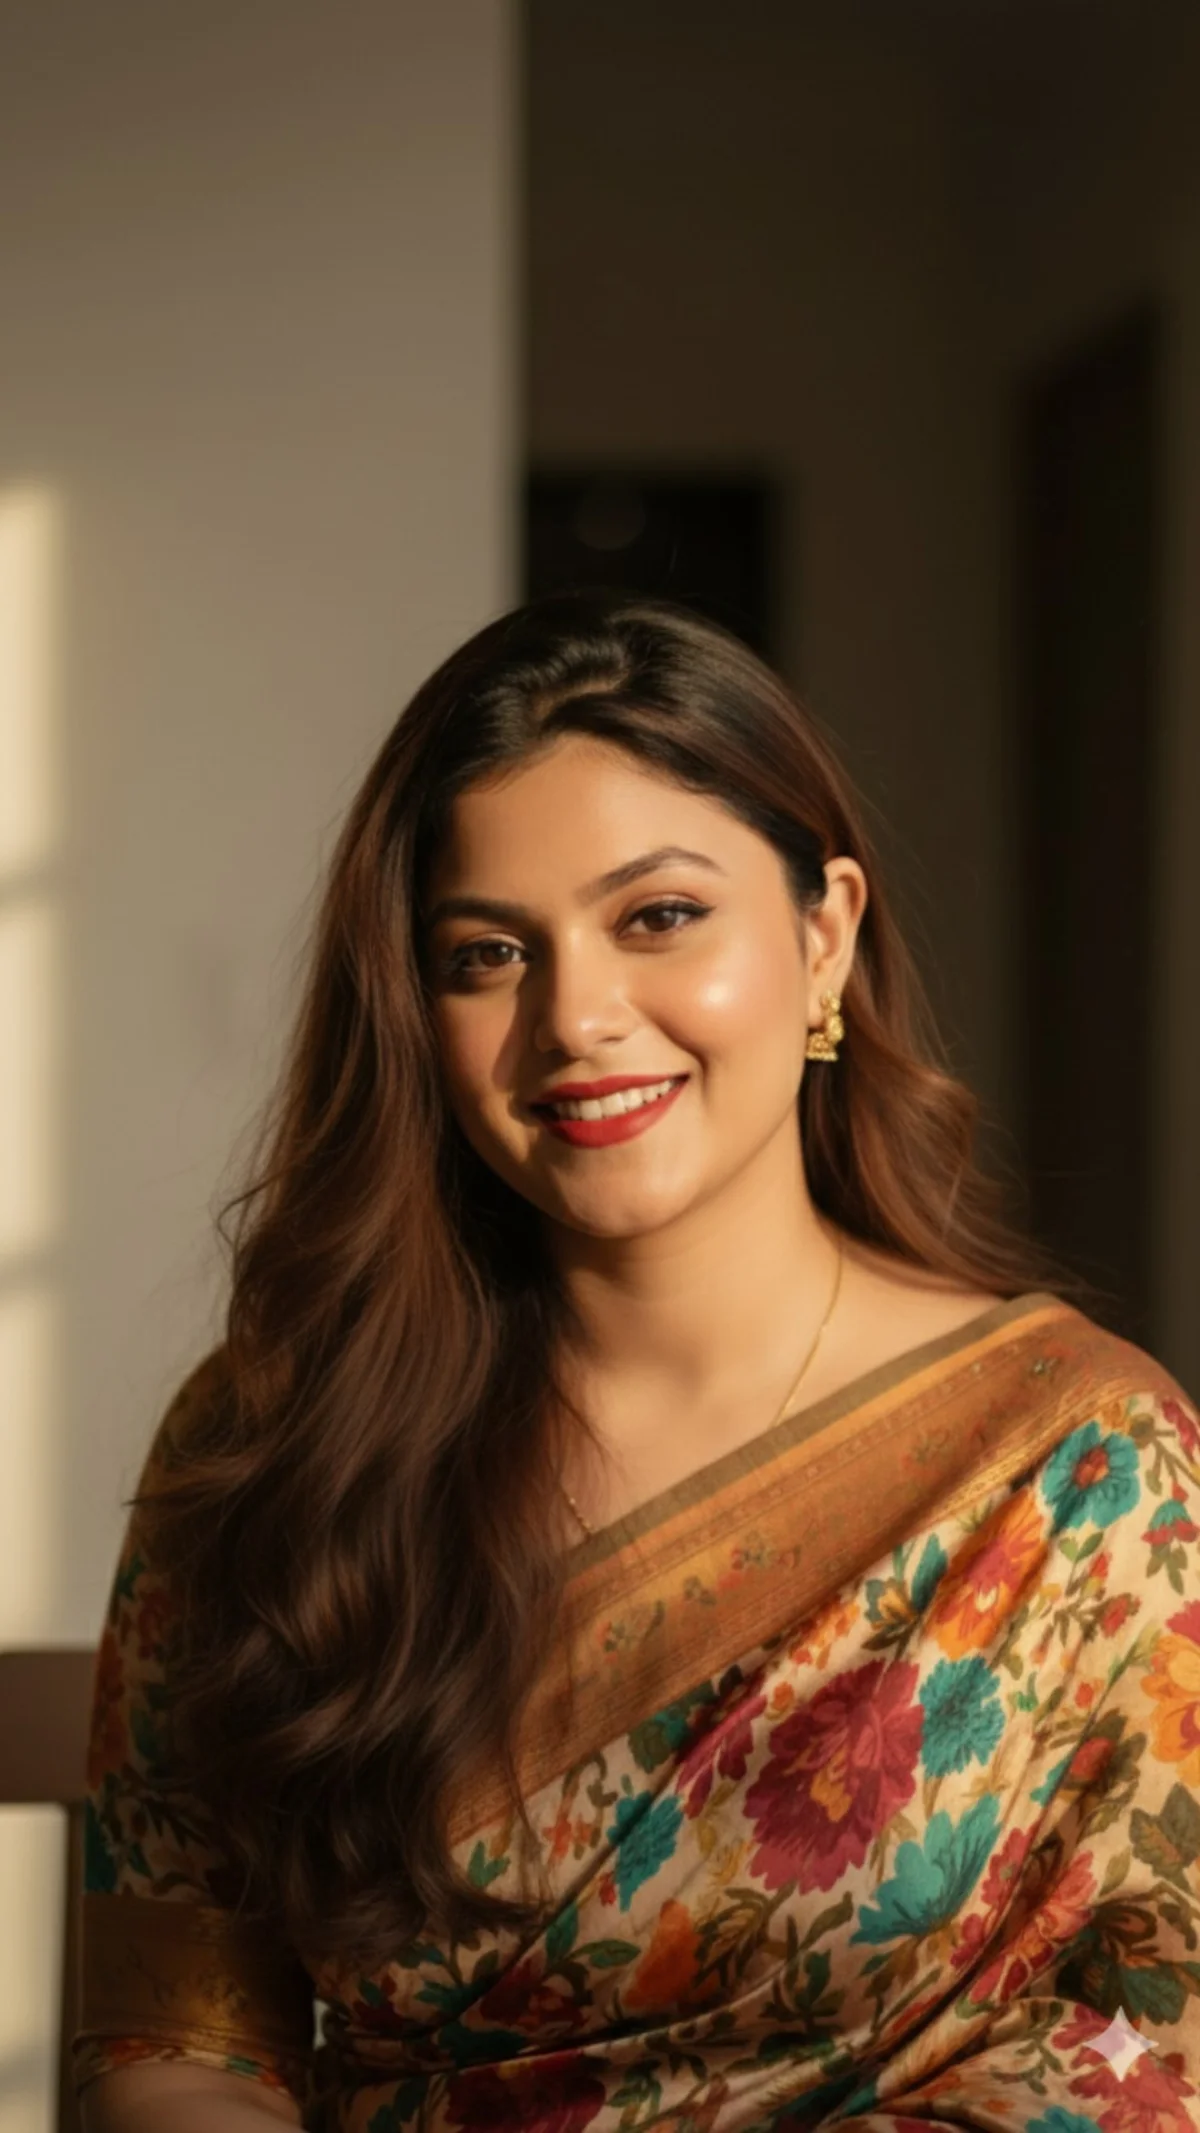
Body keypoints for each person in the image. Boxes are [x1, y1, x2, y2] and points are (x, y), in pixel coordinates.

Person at [75, 590, 1200, 2133]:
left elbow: (1140, 2063)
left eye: (658, 918)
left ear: (824, 940)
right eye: (486, 954)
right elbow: (175, 2025)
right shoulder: (282, 1434)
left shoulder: (1077, 1466)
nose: (577, 1018)